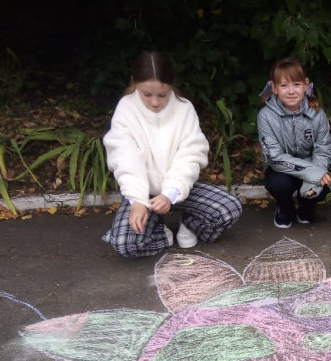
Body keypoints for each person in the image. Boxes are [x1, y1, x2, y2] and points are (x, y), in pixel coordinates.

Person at [101, 50, 242, 258]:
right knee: (123, 244)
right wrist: (137, 200)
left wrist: (171, 192)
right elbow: (125, 157)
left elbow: (190, 154)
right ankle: (160, 231)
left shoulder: (184, 109)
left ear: (171, 85)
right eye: (147, 94)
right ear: (135, 83)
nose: (155, 102)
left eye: (162, 95)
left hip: (179, 189)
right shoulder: (126, 109)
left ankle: (189, 224)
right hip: (143, 194)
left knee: (230, 209)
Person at [257, 57, 331, 228]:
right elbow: (275, 158)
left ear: (306, 84)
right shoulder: (265, 116)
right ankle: (285, 208)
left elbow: (323, 150)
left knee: (321, 188)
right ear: (274, 88)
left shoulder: (317, 113)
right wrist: (314, 173)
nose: (291, 91)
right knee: (278, 185)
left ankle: (306, 205)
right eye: (284, 85)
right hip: (281, 168)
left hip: (311, 164)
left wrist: (311, 182)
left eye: (296, 84)